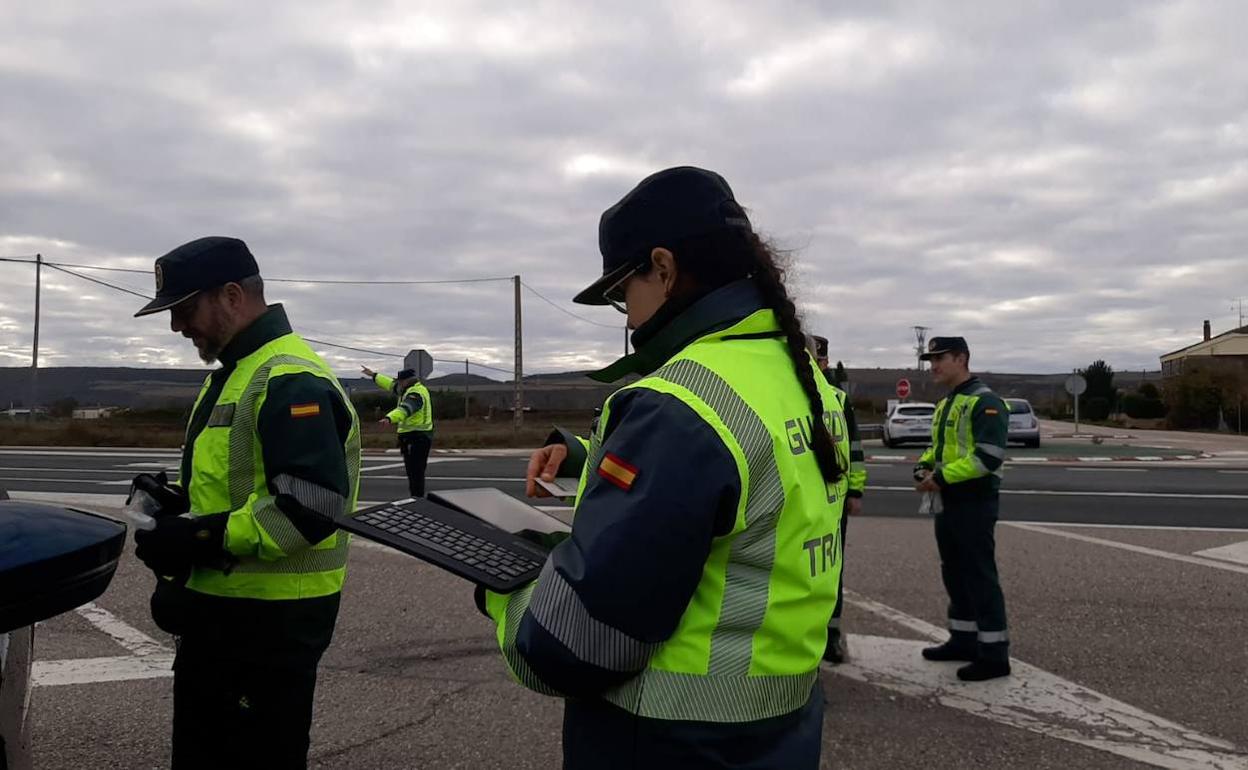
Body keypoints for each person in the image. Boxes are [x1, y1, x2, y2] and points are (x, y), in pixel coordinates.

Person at [477, 166, 851, 769]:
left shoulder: (678, 408)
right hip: (782, 731)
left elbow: (575, 644)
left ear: (664, 267)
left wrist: (503, 580)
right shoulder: (799, 377)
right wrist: (583, 456)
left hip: (664, 742)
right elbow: (736, 480)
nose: (626, 318)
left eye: (623, 293)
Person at [130, 236, 361, 769]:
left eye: (185, 310)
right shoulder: (239, 371)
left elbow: (312, 506)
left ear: (232, 296)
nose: (177, 327)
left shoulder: (287, 377)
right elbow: (237, 487)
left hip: (266, 631)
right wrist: (178, 505)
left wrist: (199, 537)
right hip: (227, 621)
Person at [913, 336, 1011, 681]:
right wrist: (923, 467)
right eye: (931, 359)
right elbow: (938, 448)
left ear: (962, 359)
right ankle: (964, 639)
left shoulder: (985, 402)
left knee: (979, 575)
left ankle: (995, 654)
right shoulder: (947, 403)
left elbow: (988, 457)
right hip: (948, 500)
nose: (934, 365)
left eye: (941, 358)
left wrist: (942, 477)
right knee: (954, 571)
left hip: (974, 501)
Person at [809, 334, 866, 664]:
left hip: (834, 495)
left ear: (824, 362)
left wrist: (855, 490)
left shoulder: (838, 398)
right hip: (805, 494)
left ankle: (830, 635)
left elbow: (854, 449)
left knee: (830, 566)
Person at [360, 365, 435, 496]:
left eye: (400, 381)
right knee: (413, 472)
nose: (398, 383)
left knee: (415, 473)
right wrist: (373, 375)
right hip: (411, 438)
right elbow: (390, 384)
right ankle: (416, 498)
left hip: (418, 438)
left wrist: (389, 418)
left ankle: (417, 500)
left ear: (407, 381)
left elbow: (405, 409)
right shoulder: (406, 389)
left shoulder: (416, 394)